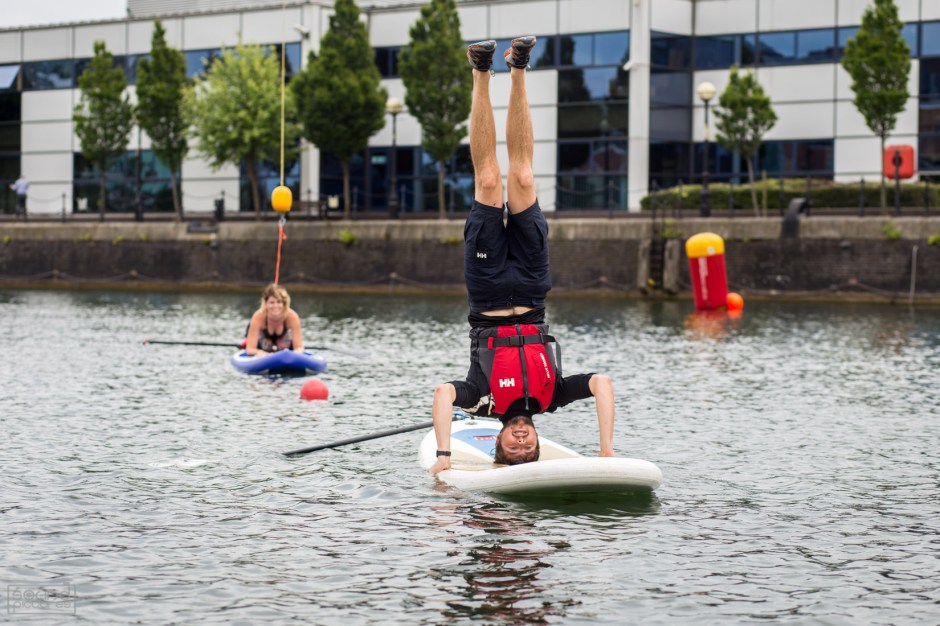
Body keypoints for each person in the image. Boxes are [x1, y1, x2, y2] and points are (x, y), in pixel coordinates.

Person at [428, 36, 615, 476]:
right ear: (534, 441)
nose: (521, 442)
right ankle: (518, 68)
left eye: (513, 449)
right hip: (533, 286)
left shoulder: (482, 399)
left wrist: (444, 456)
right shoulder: (551, 398)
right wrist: (606, 450)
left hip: (488, 289)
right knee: (525, 176)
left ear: (497, 443)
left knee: (490, 180)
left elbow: (442, 394)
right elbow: (602, 384)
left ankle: (479, 71)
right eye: (527, 448)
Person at [245, 283, 304, 356]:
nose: (275, 306)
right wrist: (262, 354)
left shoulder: (292, 317)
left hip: (286, 351)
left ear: (284, 303)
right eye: (271, 302)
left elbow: (299, 347)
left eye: (279, 302)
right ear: (266, 303)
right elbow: (250, 349)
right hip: (263, 351)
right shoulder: (258, 317)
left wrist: (293, 355)